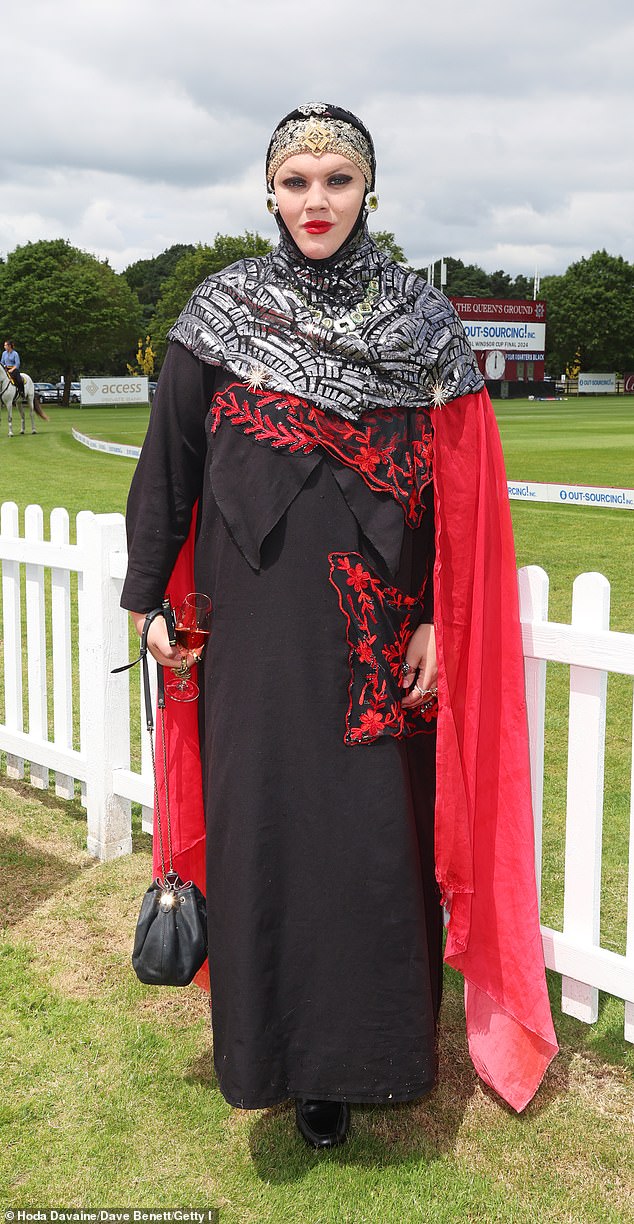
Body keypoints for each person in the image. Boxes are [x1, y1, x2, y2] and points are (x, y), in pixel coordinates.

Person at [121, 103, 557, 1149]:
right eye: (295, 181)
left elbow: (463, 497)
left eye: (336, 181)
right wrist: (144, 595)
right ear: (267, 194)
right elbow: (170, 463)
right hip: (255, 638)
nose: (315, 201)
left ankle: (373, 1059)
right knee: (269, 836)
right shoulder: (218, 312)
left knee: (368, 847)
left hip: (379, 639)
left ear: (369, 192)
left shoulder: (423, 324)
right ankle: (285, 1064)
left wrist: (443, 624)